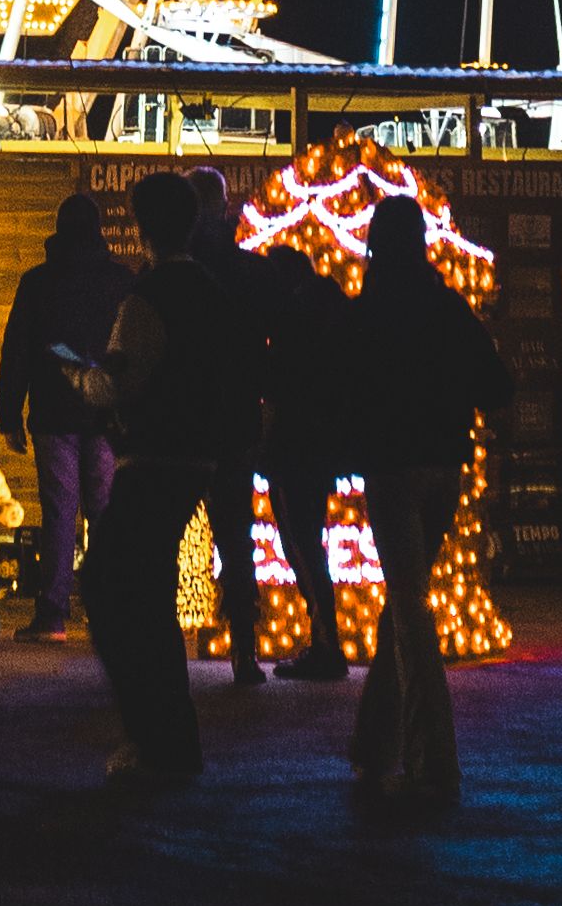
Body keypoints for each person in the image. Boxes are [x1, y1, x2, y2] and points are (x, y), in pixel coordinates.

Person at [76, 174, 253, 785]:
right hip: (201, 455)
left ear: (144, 229)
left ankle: (153, 734)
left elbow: (120, 379)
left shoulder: (147, 297)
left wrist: (84, 380)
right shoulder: (211, 290)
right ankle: (167, 737)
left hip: (150, 458)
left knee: (108, 586)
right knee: (146, 594)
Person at [339, 194, 508, 819]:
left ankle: (433, 763)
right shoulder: (447, 307)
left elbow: (346, 393)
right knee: (405, 604)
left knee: (408, 610)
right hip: (444, 466)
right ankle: (374, 744)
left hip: (391, 469)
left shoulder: (371, 311)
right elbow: (498, 386)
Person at [0, 189, 121, 641]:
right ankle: (108, 609)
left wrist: (9, 413)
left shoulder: (37, 283)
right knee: (105, 512)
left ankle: (52, 613)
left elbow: (17, 351)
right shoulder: (119, 282)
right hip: (106, 415)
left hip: (53, 412)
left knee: (59, 513)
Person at [254, 232, 353, 680]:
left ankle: (326, 646)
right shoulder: (330, 312)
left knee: (301, 546)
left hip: (293, 448)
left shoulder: (290, 323)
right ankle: (325, 641)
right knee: (309, 545)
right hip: (325, 445)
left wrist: (264, 445)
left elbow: (274, 392)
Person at [182, 166, 266, 679]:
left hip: (184, 421)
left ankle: (162, 651)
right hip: (236, 419)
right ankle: (244, 650)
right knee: (237, 539)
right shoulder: (247, 272)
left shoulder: (177, 272)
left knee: (166, 535)